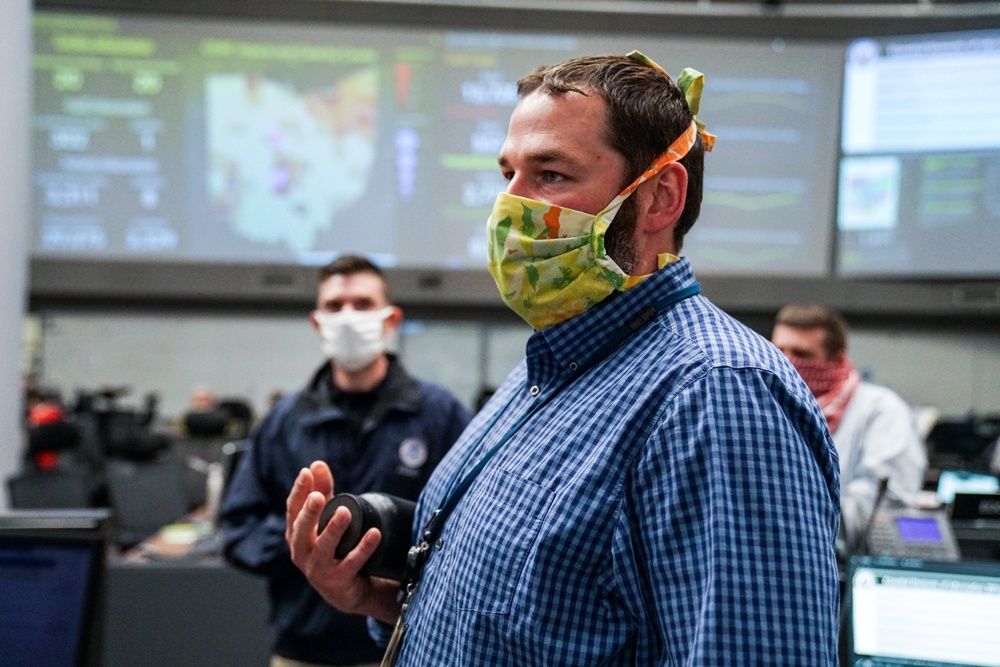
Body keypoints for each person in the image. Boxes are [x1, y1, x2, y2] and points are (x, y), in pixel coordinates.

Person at [286, 52, 841, 665]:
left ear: (659, 198)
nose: (509, 208)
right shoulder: (548, 368)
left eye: (550, 174)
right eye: (508, 175)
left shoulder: (716, 395)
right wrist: (380, 600)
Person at [219, 255, 472, 667]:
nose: (349, 316)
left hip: (403, 647)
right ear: (318, 322)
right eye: (335, 306)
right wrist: (307, 540)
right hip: (302, 649)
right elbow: (237, 529)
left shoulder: (439, 414)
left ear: (391, 320)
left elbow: (469, 526)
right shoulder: (284, 421)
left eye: (363, 304)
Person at [771, 302, 927, 551]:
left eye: (802, 354)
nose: (787, 362)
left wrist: (786, 509)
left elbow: (886, 502)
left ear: (837, 358)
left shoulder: (881, 410)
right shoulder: (769, 407)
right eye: (779, 351)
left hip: (846, 563)